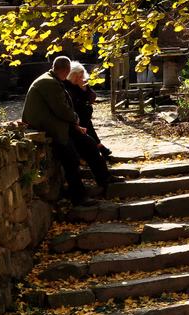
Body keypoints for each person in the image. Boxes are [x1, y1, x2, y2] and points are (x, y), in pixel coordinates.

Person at [22, 56, 118, 205]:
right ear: (67, 70)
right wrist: (75, 120)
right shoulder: (49, 83)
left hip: (57, 124)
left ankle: (104, 178)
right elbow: (62, 110)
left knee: (89, 143)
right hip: (48, 127)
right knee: (71, 158)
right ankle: (79, 197)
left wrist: (74, 124)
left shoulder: (53, 80)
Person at [63, 61, 112, 160]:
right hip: (75, 115)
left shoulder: (82, 83)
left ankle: (98, 146)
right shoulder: (67, 85)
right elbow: (73, 102)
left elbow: (92, 97)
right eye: (77, 76)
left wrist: (84, 89)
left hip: (83, 114)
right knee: (86, 123)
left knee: (87, 122)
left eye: (81, 75)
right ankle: (98, 146)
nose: (80, 78)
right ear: (72, 75)